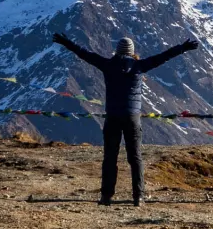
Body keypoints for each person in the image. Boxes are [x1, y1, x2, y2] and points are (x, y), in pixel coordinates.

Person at [52, 32, 200, 207]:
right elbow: (163, 57)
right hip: (132, 117)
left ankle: (106, 196)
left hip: (113, 116)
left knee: (110, 158)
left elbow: (84, 53)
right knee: (135, 158)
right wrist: (183, 48)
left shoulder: (107, 65)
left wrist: (66, 42)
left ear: (117, 51)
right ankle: (138, 197)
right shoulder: (140, 66)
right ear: (132, 52)